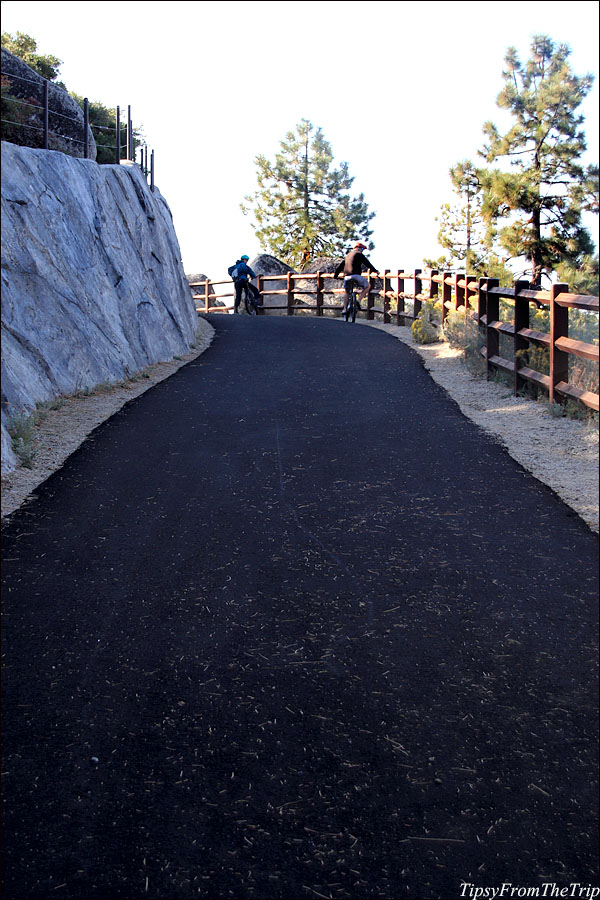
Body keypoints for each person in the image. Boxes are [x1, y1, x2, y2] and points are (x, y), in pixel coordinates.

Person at [333, 242, 379, 316]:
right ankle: (358, 300)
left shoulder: (348, 255)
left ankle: (344, 309)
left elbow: (341, 266)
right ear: (359, 248)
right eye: (362, 249)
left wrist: (336, 276)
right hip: (356, 276)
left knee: (347, 292)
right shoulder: (359, 254)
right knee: (367, 286)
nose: (362, 251)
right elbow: (367, 264)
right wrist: (375, 271)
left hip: (347, 277)